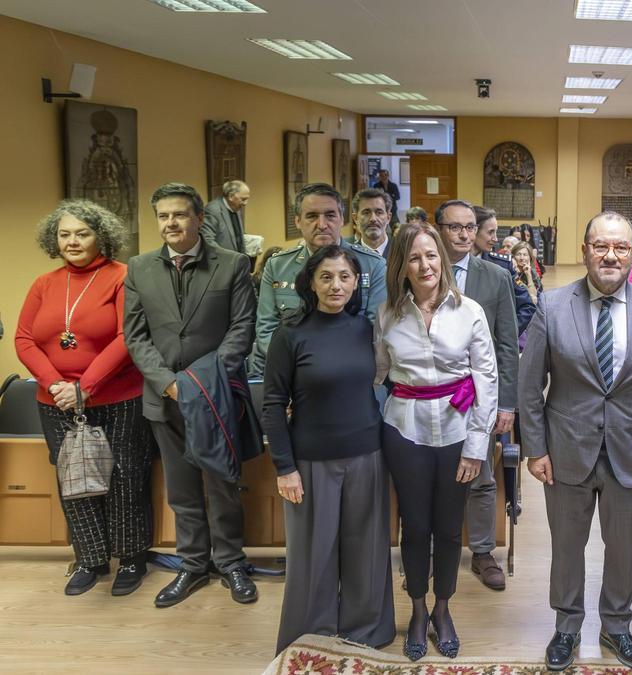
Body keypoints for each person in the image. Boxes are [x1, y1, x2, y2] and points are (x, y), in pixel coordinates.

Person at [519, 211, 632, 672]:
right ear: (585, 249)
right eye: (600, 246)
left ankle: (617, 626)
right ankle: (566, 627)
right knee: (567, 545)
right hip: (565, 449)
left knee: (623, 545)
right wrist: (535, 449)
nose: (610, 255)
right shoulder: (551, 306)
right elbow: (530, 388)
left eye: (621, 247)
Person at [123, 183, 258, 608]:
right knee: (181, 491)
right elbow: (135, 335)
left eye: (179, 215)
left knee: (222, 485)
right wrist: (167, 381)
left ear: (200, 219)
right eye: (163, 216)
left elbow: (242, 329)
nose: (171, 223)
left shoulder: (232, 265)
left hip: (215, 398)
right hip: (164, 399)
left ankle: (232, 563)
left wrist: (201, 382)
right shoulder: (139, 268)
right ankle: (193, 565)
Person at [16, 199, 155, 597]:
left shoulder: (122, 277)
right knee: (74, 481)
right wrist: (56, 384)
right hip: (55, 401)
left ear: (102, 236)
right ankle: (91, 558)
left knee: (125, 477)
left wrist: (85, 386)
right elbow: (24, 338)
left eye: (82, 233)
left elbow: (127, 337)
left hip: (117, 398)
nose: (72, 241)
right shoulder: (44, 284)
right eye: (64, 234)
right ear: (53, 239)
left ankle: (131, 558)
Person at [376, 221, 498, 661]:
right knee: (414, 525)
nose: (424, 264)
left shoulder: (470, 311)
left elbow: (486, 377)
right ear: (401, 266)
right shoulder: (388, 313)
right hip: (403, 430)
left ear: (441, 260)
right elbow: (377, 371)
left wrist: (475, 446)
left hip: (457, 429)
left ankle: (443, 608)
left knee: (448, 529)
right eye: (413, 257)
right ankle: (416, 610)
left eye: (430, 255)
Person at [263, 246, 394, 654]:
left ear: (357, 283)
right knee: (313, 555)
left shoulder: (367, 330)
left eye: (344, 277)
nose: (335, 285)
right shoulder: (290, 334)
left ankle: (365, 630)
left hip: (368, 455)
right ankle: (313, 637)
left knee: (367, 551)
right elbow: (271, 405)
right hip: (310, 460)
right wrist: (285, 467)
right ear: (311, 283)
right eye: (326, 277)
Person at [443, 202, 523, 590]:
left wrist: (507, 403)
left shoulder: (495, 276)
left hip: (478, 394)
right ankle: (429, 547)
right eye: (454, 227)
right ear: (439, 229)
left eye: (470, 227)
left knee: (481, 475)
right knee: (428, 474)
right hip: (426, 393)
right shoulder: (420, 268)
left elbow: (507, 343)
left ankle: (482, 550)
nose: (463, 234)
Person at [250, 183, 386, 377]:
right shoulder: (277, 266)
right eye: (312, 216)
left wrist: (323, 369)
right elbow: (266, 329)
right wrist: (302, 370)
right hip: (290, 375)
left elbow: (375, 331)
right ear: (297, 221)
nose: (322, 224)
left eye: (330, 215)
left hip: (351, 375)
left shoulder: (373, 266)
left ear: (342, 220)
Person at [202, 180, 250, 254]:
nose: (245, 203)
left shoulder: (236, 208)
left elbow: (237, 237)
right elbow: (207, 241)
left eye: (247, 199)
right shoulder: (213, 210)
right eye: (243, 199)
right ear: (231, 196)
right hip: (222, 262)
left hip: (238, 260)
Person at [350, 188, 393, 259]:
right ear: (355, 218)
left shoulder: (403, 252)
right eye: (366, 213)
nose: (373, 219)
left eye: (379, 212)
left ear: (388, 217)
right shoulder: (347, 257)